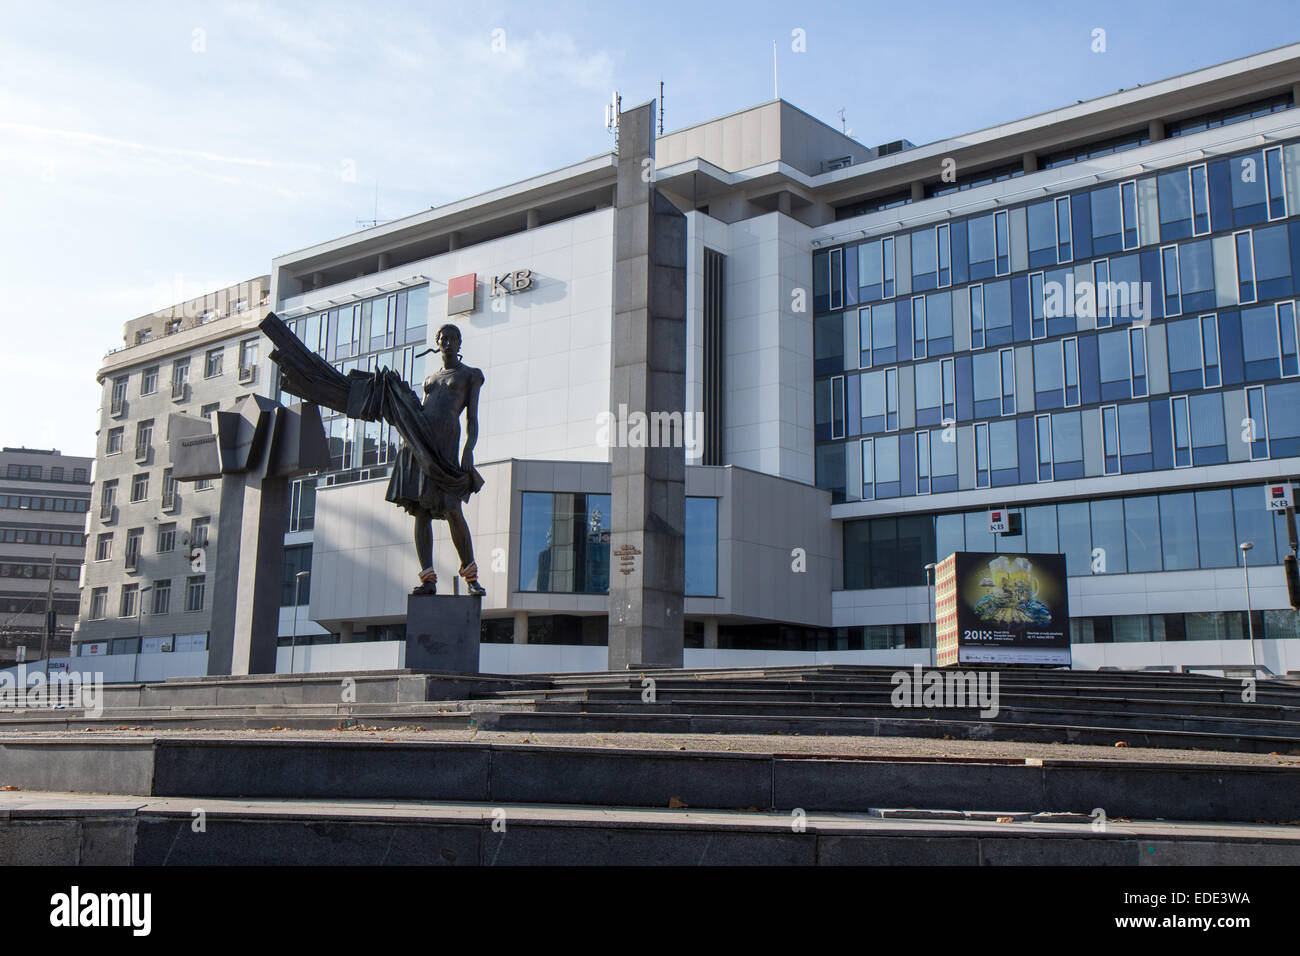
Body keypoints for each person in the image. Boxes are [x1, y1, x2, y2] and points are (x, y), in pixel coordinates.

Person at [259, 314, 487, 597]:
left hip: (446, 447)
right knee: (421, 512)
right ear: (437, 344)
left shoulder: (470, 375)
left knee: (453, 509)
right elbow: (418, 410)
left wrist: (469, 449)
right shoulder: (430, 379)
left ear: (459, 343)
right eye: (443, 339)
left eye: (453, 339)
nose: (448, 343)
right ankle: (428, 578)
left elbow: (472, 419)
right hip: (417, 443)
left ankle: (471, 575)